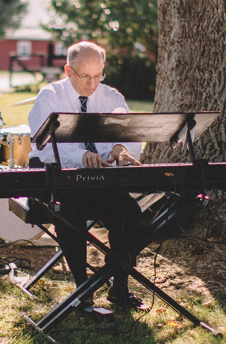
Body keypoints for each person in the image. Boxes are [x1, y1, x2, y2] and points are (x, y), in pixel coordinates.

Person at [28, 41, 145, 310]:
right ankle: (83, 287)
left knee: (130, 213)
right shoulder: (50, 96)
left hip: (103, 183)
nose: (92, 84)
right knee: (70, 217)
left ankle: (119, 286)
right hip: (65, 185)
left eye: (97, 76)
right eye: (85, 76)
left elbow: (127, 134)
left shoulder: (112, 97)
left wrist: (120, 148)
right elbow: (42, 147)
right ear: (68, 71)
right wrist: (80, 157)